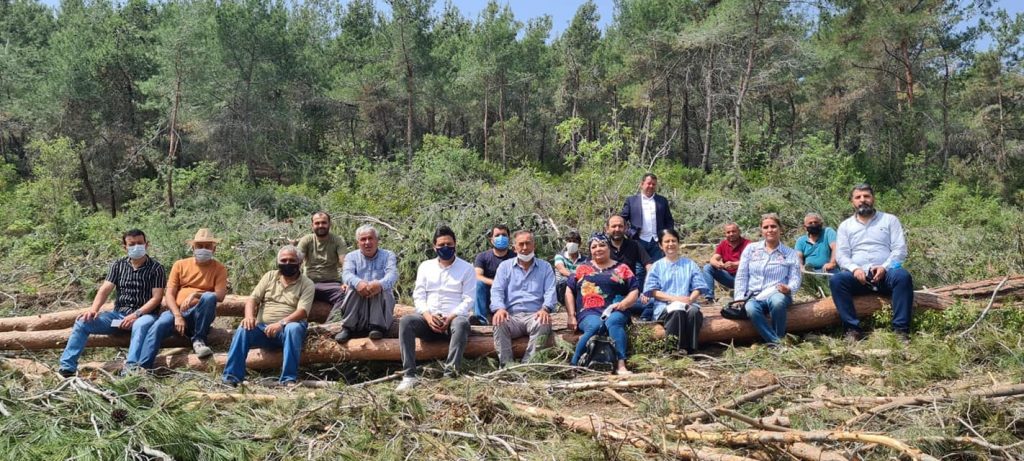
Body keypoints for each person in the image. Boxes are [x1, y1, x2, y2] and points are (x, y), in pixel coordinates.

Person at [58, 229, 166, 377]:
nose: (136, 247)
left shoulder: (156, 268)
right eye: (131, 244)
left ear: (146, 245)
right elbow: (105, 289)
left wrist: (136, 315)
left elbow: (157, 298)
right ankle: (67, 367)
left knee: (141, 325)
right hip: (118, 315)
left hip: (144, 315)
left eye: (140, 243)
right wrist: (94, 309)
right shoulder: (118, 265)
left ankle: (130, 369)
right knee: (83, 322)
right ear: (125, 247)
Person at [396, 226, 475, 392]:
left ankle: (450, 375)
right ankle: (409, 375)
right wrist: (427, 316)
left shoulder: (467, 268)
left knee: (461, 323)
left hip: (452, 320)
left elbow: (469, 299)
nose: (445, 248)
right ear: (434, 247)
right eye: (441, 245)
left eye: (449, 244)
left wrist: (451, 317)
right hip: (428, 320)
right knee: (406, 321)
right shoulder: (425, 266)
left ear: (455, 244)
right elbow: (418, 295)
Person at [830, 184, 913, 342]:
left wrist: (885, 267)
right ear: (852, 202)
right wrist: (855, 269)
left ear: (873, 198)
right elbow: (842, 255)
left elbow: (899, 249)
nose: (863, 200)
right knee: (837, 280)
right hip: (859, 277)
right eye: (858, 197)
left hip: (886, 273)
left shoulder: (889, 220)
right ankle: (852, 330)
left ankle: (901, 331)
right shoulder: (845, 226)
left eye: (866, 196)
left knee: (903, 277)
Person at [222, 245, 313, 386]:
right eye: (283, 260)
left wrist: (281, 323)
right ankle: (231, 377)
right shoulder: (270, 276)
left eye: (291, 260)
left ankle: (288, 379)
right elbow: (252, 299)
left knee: (293, 328)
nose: (287, 264)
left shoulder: (307, 283)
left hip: (287, 330)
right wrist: (249, 317)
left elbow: (302, 311)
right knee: (243, 329)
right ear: (278, 262)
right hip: (263, 329)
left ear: (299, 262)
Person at [140, 229, 227, 368]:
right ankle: (142, 367)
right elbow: (169, 293)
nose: (203, 249)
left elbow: (220, 296)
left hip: (199, 314)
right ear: (193, 247)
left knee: (209, 296)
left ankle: (199, 340)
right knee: (158, 326)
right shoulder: (180, 265)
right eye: (199, 246)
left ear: (214, 249)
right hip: (177, 312)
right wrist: (177, 315)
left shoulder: (219, 268)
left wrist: (197, 294)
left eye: (207, 246)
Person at [566, 233, 640, 375]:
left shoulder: (622, 268)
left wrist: (625, 303)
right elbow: (569, 290)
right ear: (590, 250)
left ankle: (621, 364)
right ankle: (573, 365)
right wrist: (571, 315)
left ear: (609, 247)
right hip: (588, 311)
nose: (598, 249)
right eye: (594, 247)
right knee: (595, 326)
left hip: (617, 308)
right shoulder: (582, 268)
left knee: (613, 322)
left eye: (602, 245)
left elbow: (634, 290)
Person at [490, 230, 556, 367]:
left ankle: (528, 366)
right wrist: (499, 309)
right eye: (521, 244)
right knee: (498, 321)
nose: (525, 248)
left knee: (543, 322)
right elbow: (497, 290)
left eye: (528, 243)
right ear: (514, 247)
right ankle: (507, 366)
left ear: (534, 245)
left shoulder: (545, 267)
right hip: (511, 316)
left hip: (535, 315)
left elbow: (550, 291)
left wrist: (545, 309)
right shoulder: (504, 267)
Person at [734, 214, 802, 346]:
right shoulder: (751, 249)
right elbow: (742, 275)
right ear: (761, 230)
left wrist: (789, 288)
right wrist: (739, 297)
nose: (770, 230)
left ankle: (777, 339)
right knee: (751, 309)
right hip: (753, 295)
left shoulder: (790, 253)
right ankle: (777, 343)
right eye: (766, 227)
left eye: (773, 226)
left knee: (777, 302)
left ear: (780, 229)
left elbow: (795, 278)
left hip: (777, 293)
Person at [643, 229, 709, 354]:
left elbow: (699, 287)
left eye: (673, 241)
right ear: (660, 245)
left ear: (678, 243)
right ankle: (674, 350)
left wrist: (690, 299)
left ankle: (692, 349)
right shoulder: (656, 266)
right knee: (677, 310)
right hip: (664, 307)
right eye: (666, 241)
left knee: (694, 312)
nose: (670, 244)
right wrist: (675, 299)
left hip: (687, 303)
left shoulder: (690, 264)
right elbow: (653, 291)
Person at [334, 225, 398, 342]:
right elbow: (346, 274)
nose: (367, 242)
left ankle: (377, 328)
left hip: (379, 303)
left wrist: (379, 284)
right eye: (363, 239)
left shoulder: (388, 255)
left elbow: (392, 275)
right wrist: (358, 283)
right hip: (359, 301)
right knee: (353, 288)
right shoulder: (351, 257)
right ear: (358, 242)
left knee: (381, 287)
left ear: (377, 240)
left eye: (370, 238)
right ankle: (348, 327)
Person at [297, 212, 347, 320]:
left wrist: (347, 282)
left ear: (329, 224)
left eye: (324, 223)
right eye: (317, 223)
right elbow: (297, 260)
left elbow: (344, 262)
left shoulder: (337, 240)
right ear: (312, 225)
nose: (320, 226)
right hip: (309, 282)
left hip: (331, 283)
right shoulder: (306, 240)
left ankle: (330, 325)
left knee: (345, 295)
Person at [606, 215, 654, 318]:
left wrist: (647, 289)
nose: (617, 229)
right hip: (607, 296)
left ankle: (643, 323)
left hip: (630, 295)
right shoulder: (601, 247)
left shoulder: (634, 245)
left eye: (620, 226)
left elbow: (649, 265)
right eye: (614, 226)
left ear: (626, 228)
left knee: (654, 302)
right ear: (607, 229)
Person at [621, 173, 675, 261]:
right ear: (642, 184)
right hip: (638, 241)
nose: (651, 186)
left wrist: (666, 236)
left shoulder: (662, 200)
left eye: (653, 184)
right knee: (639, 269)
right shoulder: (631, 201)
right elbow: (622, 220)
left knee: (658, 269)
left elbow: (669, 220)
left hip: (657, 242)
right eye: (649, 183)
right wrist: (629, 233)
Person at [471, 225, 516, 325]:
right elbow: (477, 276)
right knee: (478, 284)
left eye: (504, 235)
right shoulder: (482, 257)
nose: (501, 237)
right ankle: (481, 320)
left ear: (509, 238)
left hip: (508, 292)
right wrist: (496, 283)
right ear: (491, 240)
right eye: (497, 235)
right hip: (488, 293)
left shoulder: (515, 257)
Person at [702, 223, 750, 302]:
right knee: (707, 268)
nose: (731, 234)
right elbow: (713, 259)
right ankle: (709, 297)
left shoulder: (748, 244)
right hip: (730, 278)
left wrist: (735, 264)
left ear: (739, 231)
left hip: (745, 279)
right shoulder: (723, 244)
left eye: (733, 231)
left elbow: (752, 260)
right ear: (725, 234)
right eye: (728, 232)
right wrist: (718, 264)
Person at [553, 230, 588, 308]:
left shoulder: (585, 259)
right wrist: (575, 276)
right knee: (565, 281)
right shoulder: (559, 256)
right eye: (569, 241)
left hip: (579, 288)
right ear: (566, 243)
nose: (572, 243)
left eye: (574, 241)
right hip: (562, 289)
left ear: (579, 244)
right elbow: (562, 270)